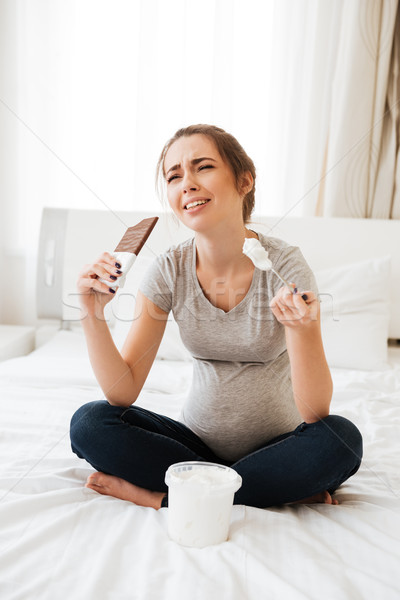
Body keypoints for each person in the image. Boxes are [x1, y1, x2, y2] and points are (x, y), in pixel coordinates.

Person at [70, 124, 363, 510]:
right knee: (90, 422)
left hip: (279, 447)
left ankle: (164, 499)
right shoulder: (168, 269)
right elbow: (121, 392)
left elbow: (314, 412)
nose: (186, 183)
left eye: (202, 167)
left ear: (245, 181)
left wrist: (303, 329)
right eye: (174, 176)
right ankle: (259, 491)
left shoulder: (285, 264)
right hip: (192, 450)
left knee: (341, 438)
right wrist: (92, 314)